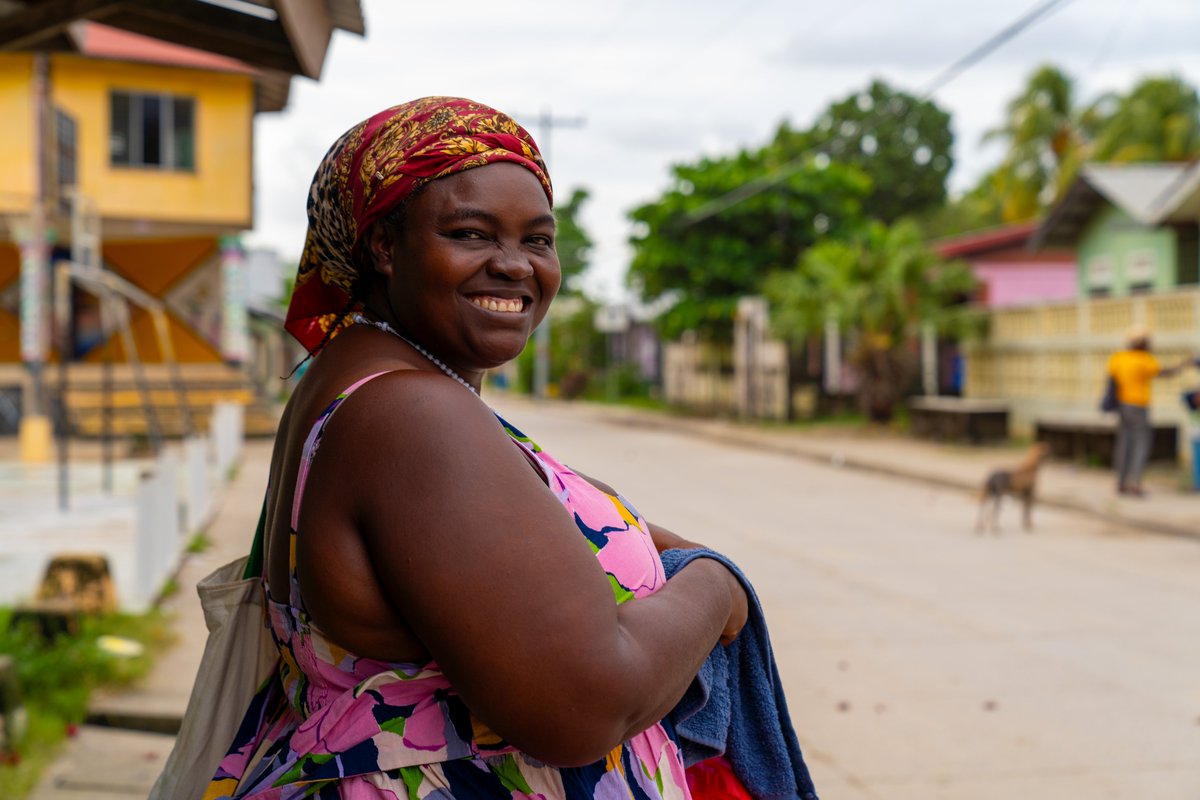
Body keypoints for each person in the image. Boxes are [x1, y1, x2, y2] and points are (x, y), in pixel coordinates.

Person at [205, 97, 755, 799]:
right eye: (471, 233)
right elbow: (581, 709)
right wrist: (715, 583)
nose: (515, 267)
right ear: (382, 244)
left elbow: (510, 533)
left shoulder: (363, 379)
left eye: (538, 240)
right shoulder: (413, 413)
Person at [1107, 325, 1194, 497]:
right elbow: (1166, 372)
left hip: (1122, 405)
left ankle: (1121, 481)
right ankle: (1135, 483)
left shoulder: (1118, 358)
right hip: (1138, 405)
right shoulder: (1144, 360)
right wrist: (1186, 363)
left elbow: (1111, 382)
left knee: (1125, 441)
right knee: (1140, 443)